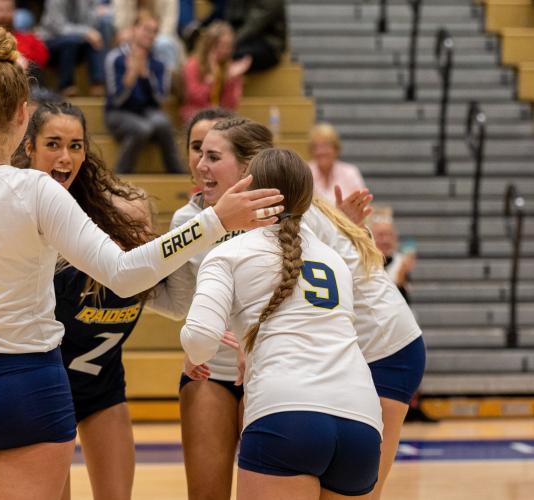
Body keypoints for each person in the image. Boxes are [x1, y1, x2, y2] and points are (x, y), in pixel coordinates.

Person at [0, 25, 284, 499]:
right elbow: (126, 274)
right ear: (23, 116)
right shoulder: (37, 190)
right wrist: (211, 223)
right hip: (27, 380)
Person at [182, 148, 383, 500]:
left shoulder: (228, 252)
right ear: (310, 198)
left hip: (286, 415)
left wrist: (195, 352)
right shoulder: (334, 259)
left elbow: (201, 338)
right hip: (361, 418)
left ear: (249, 191)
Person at [12, 101, 157, 500]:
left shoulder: (129, 257)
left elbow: (180, 299)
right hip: (41, 390)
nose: (65, 156)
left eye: (76, 146)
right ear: (30, 147)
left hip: (102, 390)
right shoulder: (28, 221)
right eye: (54, 144)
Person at [147, 116, 273, 500]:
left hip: (271, 371)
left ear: (247, 165)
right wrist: (132, 285)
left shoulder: (280, 215)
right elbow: (182, 302)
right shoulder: (188, 220)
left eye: (213, 154)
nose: (201, 163)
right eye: (197, 150)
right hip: (207, 370)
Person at [303, 199, 425, 500]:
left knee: (364, 492)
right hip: (353, 350)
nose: (201, 164)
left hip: (388, 349)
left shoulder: (298, 211)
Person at [104, 9, 184, 174]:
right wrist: (130, 77)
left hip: (146, 112)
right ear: (134, 29)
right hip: (118, 113)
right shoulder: (115, 58)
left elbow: (160, 99)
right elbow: (116, 100)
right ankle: (119, 176)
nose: (151, 35)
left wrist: (147, 76)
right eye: (146, 29)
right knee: (142, 129)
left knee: (164, 123)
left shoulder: (159, 63)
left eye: (155, 31)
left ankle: (177, 174)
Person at [180, 21, 249, 124]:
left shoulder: (230, 69)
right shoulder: (192, 64)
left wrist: (230, 80)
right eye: (222, 45)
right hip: (196, 114)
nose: (225, 51)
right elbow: (194, 98)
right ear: (209, 45)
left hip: (221, 117)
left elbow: (230, 106)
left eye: (229, 46)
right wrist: (212, 80)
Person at [37, 0, 108, 96]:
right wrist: (86, 32)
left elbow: (92, 23)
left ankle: (97, 82)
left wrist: (89, 27)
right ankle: (66, 85)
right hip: (51, 41)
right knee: (72, 41)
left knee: (94, 40)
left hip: (77, 41)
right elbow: (59, 28)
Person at [0, 0, 49, 85]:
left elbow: (43, 59)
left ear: (15, 12)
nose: (3, 15)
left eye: (7, 10)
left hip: (26, 87)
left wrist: (24, 61)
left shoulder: (29, 39)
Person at [308, 123, 367, 205]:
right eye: (316, 147)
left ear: (336, 148)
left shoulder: (350, 173)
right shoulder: (305, 174)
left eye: (325, 145)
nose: (320, 151)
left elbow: (362, 204)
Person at [113, 0, 181, 71]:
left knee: (164, 43)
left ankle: (167, 78)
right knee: (124, 40)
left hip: (159, 36)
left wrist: (149, 36)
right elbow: (120, 25)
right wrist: (135, 34)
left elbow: (168, 27)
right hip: (133, 35)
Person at [225, 0, 286, 73]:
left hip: (269, 45)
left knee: (228, 55)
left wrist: (228, 43)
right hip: (248, 41)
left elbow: (253, 27)